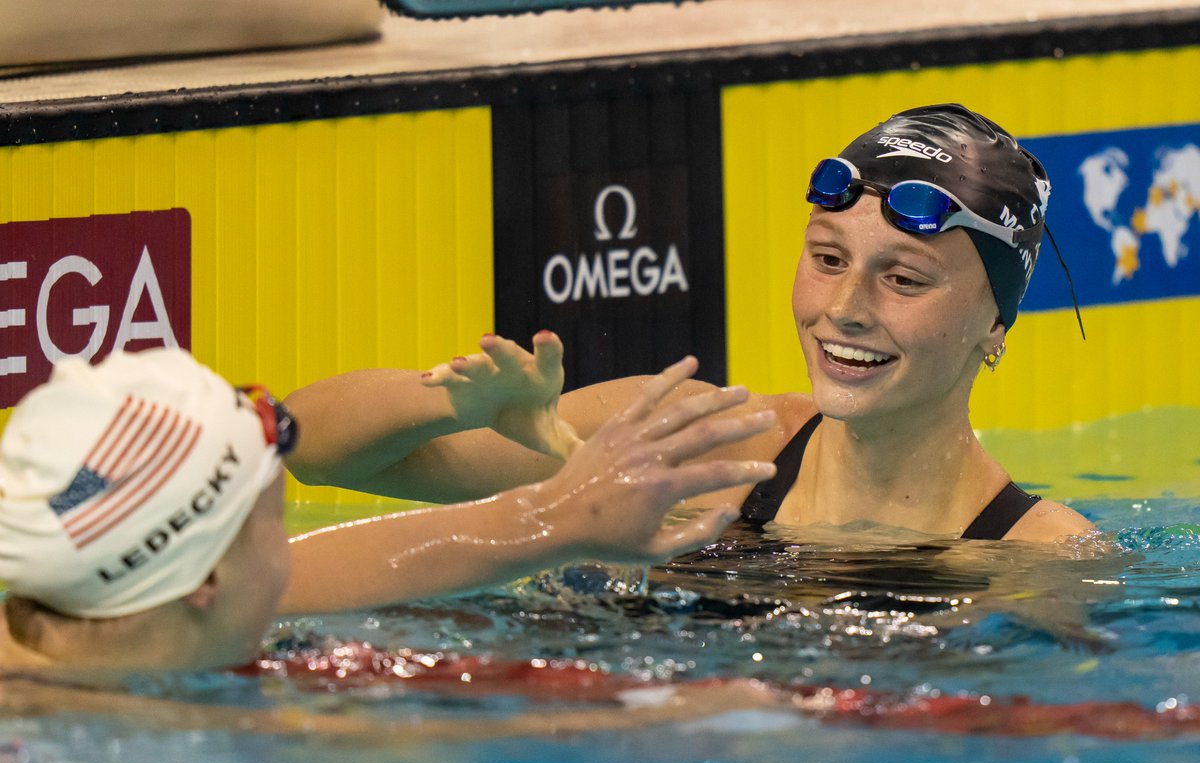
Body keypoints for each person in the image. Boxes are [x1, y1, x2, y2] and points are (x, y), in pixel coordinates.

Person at [284, 104, 1094, 542]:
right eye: (828, 258)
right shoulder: (689, 439)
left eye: (904, 277)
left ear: (997, 323)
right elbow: (305, 447)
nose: (844, 309)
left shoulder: (1038, 557)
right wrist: (450, 407)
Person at [0, 347, 776, 670]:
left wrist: (557, 517)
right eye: (273, 520)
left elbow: (365, 557)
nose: (295, 549)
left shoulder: (104, 606)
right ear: (205, 580)